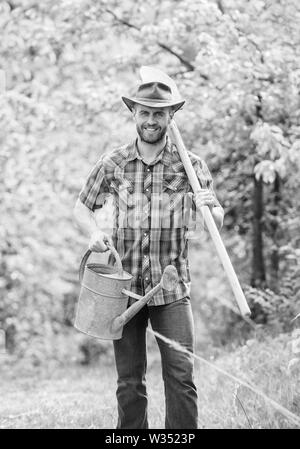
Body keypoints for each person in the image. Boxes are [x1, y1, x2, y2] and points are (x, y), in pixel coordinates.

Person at [73, 69, 224, 429]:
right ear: (134, 114)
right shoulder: (114, 163)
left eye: (159, 113)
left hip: (171, 289)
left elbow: (214, 221)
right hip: (122, 291)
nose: (151, 120)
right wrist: (93, 233)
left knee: (181, 377)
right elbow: (81, 207)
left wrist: (210, 206)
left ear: (171, 117)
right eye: (145, 112)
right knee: (129, 382)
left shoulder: (191, 165)